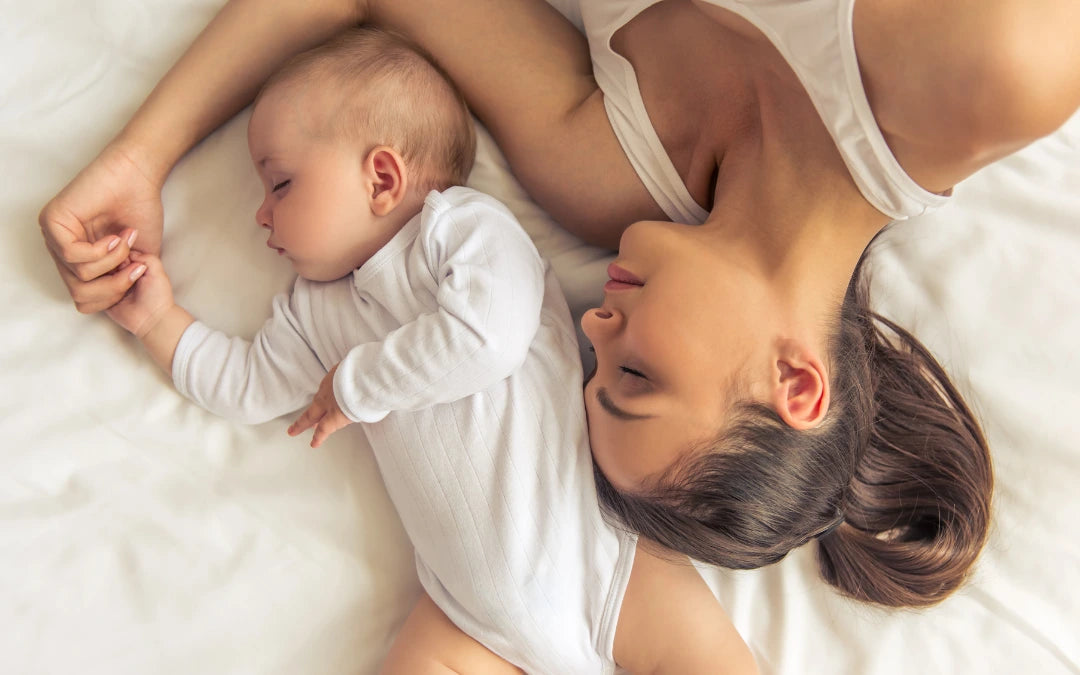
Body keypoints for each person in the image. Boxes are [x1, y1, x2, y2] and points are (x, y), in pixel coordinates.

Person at [38, 0, 1080, 667]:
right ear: (796, 383)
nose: (590, 323)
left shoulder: (598, 170)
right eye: (633, 373)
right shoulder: (989, 73)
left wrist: (139, 157)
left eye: (592, 371)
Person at [101, 26, 754, 674]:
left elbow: (488, 336)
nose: (261, 214)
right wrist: (157, 320)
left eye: (281, 184)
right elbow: (247, 385)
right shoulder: (314, 309)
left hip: (601, 559)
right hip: (469, 620)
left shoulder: (461, 230)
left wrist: (358, 386)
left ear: (381, 177)